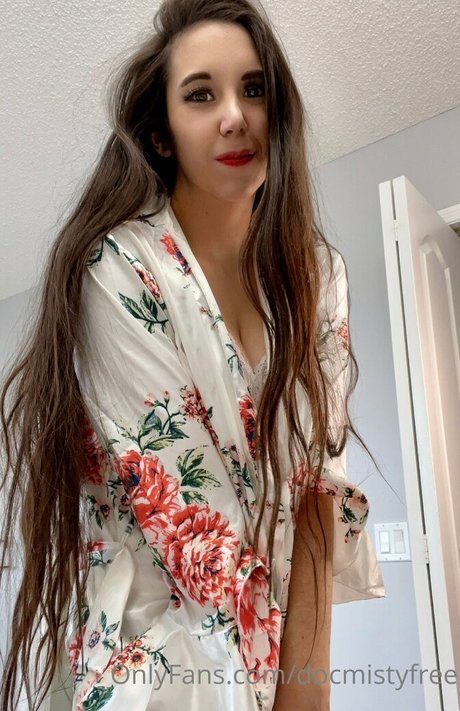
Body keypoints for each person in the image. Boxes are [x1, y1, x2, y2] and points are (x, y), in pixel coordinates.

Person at [0, 1, 386, 709]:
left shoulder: (318, 275)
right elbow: (197, 529)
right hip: (156, 664)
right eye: (201, 95)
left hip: (282, 661)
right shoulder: (119, 270)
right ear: (163, 134)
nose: (235, 116)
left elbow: (316, 497)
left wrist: (308, 687)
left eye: (254, 88)